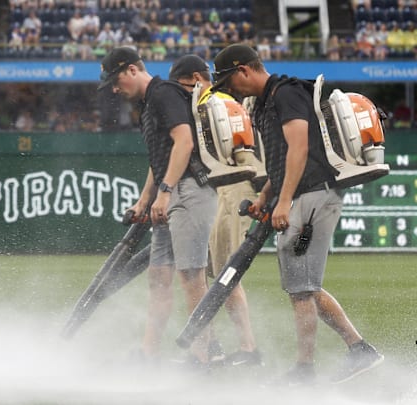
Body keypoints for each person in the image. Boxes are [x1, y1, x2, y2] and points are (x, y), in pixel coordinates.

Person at [211, 44, 384, 385]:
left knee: (302, 288)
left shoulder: (286, 92)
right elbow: (280, 158)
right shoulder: (266, 101)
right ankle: (359, 350)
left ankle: (306, 370)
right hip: (305, 195)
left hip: (312, 195)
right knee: (302, 286)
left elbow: (300, 148)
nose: (229, 90)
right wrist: (266, 197)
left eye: (229, 81)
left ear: (244, 69)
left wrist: (284, 201)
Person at [99, 47, 217, 368]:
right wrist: (144, 198)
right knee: (158, 277)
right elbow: (160, 157)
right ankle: (149, 354)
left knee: (192, 277)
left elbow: (184, 142)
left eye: (115, 78)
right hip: (170, 195)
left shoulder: (164, 93)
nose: (113, 87)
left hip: (189, 190)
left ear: (133, 70)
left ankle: (202, 357)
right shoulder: (150, 101)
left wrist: (164, 192)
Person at [168, 54, 263, 367]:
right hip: (222, 189)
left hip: (234, 186)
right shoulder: (218, 99)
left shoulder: (214, 100)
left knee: (226, 271)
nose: (181, 92)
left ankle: (247, 349)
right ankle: (213, 345)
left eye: (183, 85)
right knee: (213, 272)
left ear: (196, 78)